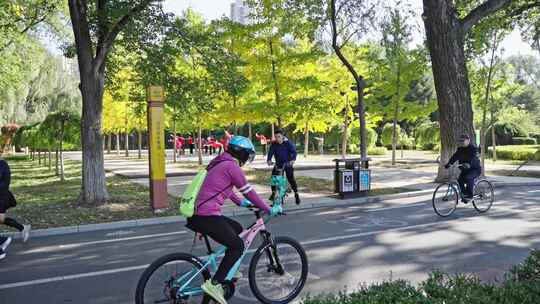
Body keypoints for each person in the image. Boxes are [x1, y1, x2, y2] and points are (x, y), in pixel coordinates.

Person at [186, 136, 281, 304]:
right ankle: (214, 284)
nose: (247, 159)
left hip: (198, 215)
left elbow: (225, 187)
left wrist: (241, 203)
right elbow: (248, 191)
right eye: (248, 155)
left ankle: (230, 266)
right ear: (242, 153)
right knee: (237, 246)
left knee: (237, 228)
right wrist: (268, 208)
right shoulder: (232, 166)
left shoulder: (219, 162)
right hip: (206, 216)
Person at [0, 157, 30, 260]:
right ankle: (22, 228)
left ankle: (3, 241)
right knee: (1, 220)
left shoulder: (3, 164)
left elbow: (6, 183)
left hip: (2, 196)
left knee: (1, 220)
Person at [267, 129, 301, 205]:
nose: (277, 139)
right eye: (276, 137)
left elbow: (294, 152)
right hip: (278, 164)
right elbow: (270, 152)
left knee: (291, 179)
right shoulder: (274, 144)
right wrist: (269, 160)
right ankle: (274, 194)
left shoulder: (288, 143)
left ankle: (296, 194)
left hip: (287, 164)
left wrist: (292, 160)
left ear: (282, 136)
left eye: (279, 137)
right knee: (274, 179)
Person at [444, 134, 481, 202]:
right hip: (465, 170)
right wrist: (449, 163)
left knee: (468, 178)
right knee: (459, 180)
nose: (462, 142)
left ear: (468, 140)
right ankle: (465, 194)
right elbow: (455, 157)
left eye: (463, 140)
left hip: (475, 169)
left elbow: (473, 158)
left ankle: (470, 196)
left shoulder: (473, 149)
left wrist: (469, 164)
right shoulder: (460, 149)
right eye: (460, 141)